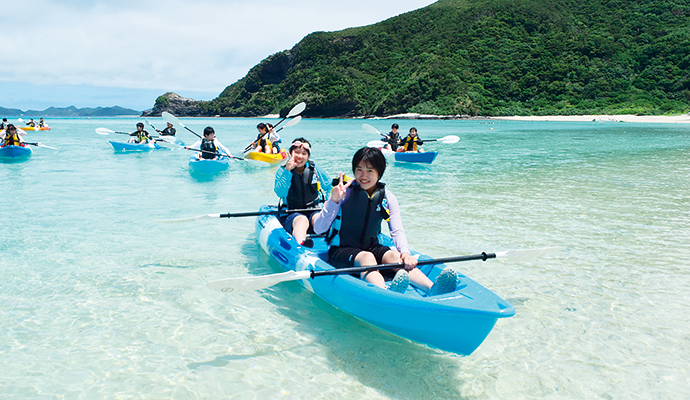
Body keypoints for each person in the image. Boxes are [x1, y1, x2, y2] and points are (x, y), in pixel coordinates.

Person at [312, 147, 458, 295]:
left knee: (396, 257)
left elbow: (397, 230)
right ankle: (385, 293)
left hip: (372, 247)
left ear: (379, 173)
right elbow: (319, 229)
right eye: (359, 169)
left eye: (370, 170)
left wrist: (405, 253)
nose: (363, 176)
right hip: (341, 251)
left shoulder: (387, 197)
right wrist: (333, 201)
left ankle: (432, 288)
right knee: (367, 257)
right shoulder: (343, 193)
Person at [274, 138, 332, 247]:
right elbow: (280, 193)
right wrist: (288, 171)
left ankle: (330, 243)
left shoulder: (315, 169)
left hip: (314, 210)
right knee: (302, 220)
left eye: (304, 154)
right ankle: (301, 245)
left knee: (319, 218)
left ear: (308, 156)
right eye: (296, 152)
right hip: (291, 213)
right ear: (290, 153)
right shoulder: (283, 171)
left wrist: (328, 201)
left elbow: (329, 186)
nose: (300, 156)